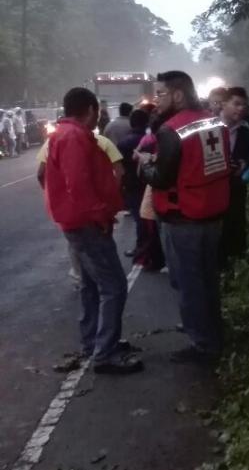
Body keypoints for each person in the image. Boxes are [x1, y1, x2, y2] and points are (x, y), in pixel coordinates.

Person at [42, 87, 142, 374]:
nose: (99, 114)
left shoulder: (64, 135)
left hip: (77, 222)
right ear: (90, 109)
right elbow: (80, 186)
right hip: (86, 223)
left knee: (90, 285)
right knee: (114, 286)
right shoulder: (73, 137)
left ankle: (94, 342)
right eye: (97, 109)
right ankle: (105, 353)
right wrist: (100, 216)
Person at [138, 71, 231, 363]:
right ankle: (214, 333)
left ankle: (204, 344)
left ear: (178, 95)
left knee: (189, 283)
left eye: (161, 94)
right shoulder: (214, 121)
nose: (156, 101)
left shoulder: (171, 130)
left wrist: (144, 165)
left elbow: (162, 179)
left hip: (184, 217)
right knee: (208, 279)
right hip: (213, 211)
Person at [38, 126, 125, 284]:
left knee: (77, 247)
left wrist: (57, 195)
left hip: (69, 215)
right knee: (112, 283)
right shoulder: (102, 142)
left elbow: (40, 174)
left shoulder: (50, 142)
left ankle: (80, 276)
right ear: (91, 112)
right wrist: (111, 195)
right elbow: (119, 171)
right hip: (96, 212)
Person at [219, 87, 249, 266]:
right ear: (223, 104)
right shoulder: (209, 127)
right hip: (214, 189)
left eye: (244, 105)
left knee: (236, 227)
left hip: (236, 187)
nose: (240, 109)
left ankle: (236, 267)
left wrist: (243, 168)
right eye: (236, 104)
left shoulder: (245, 130)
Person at [117, 109, 149, 258]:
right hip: (149, 182)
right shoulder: (151, 139)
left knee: (139, 219)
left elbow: (119, 168)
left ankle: (142, 249)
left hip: (132, 185)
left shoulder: (124, 143)